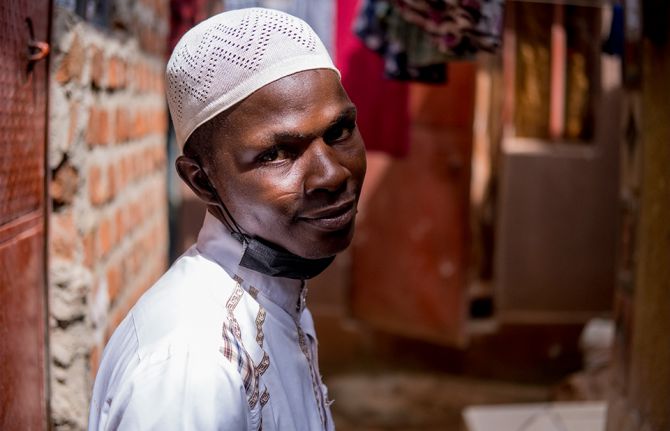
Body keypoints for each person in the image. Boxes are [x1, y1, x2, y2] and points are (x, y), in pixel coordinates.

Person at [88, 7, 366, 430]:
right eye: (276, 154)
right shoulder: (192, 370)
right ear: (201, 181)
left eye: (340, 130)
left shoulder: (279, 300)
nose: (332, 174)